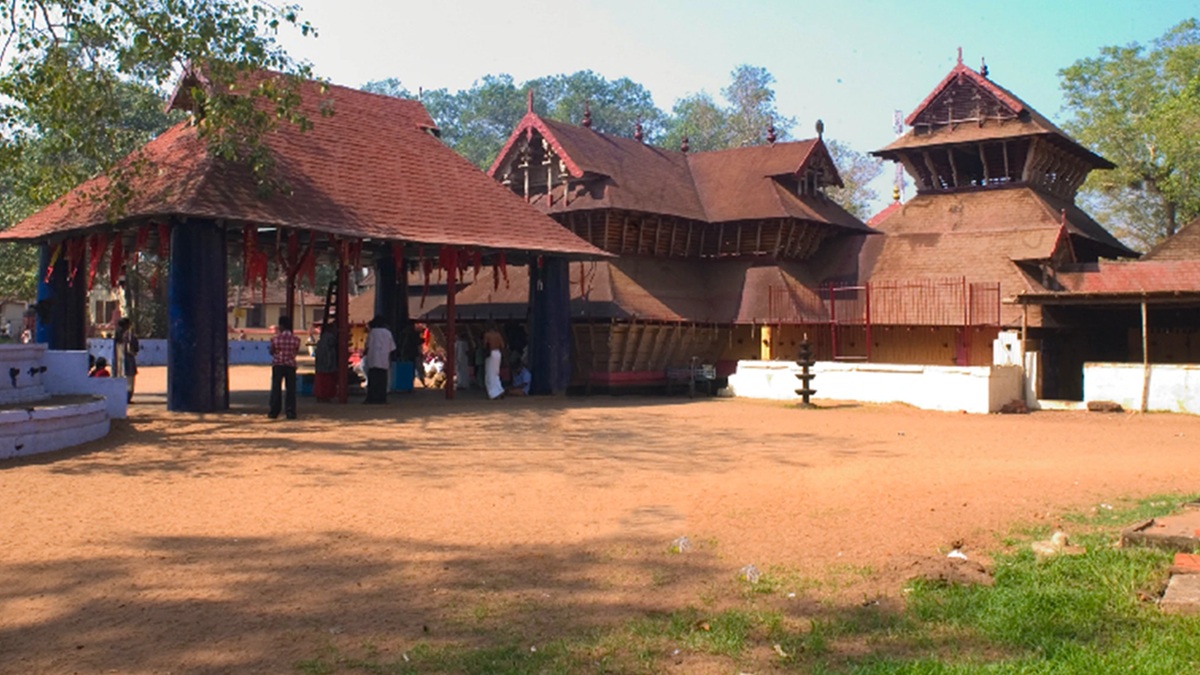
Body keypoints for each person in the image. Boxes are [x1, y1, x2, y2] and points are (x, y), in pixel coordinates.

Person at [268, 315, 300, 419]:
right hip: (290, 365)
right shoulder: (296, 339)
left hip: (278, 364)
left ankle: (274, 411)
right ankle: (290, 412)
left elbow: (272, 351)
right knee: (290, 389)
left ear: (281, 326)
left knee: (276, 388)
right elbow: (295, 351)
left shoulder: (275, 339)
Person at [362, 315, 396, 404]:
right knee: (382, 381)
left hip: (372, 359)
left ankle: (371, 398)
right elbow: (392, 348)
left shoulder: (372, 332)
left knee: (372, 380)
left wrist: (364, 354)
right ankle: (381, 398)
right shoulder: (388, 333)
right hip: (384, 360)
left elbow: (367, 346)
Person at [113, 317, 139, 403]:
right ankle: (127, 398)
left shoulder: (117, 335)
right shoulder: (129, 335)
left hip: (119, 363)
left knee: (120, 379)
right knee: (129, 382)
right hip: (128, 362)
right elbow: (132, 349)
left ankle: (120, 398)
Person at [313, 324, 338, 402]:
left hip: (320, 363)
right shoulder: (330, 338)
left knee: (321, 381)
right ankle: (325, 396)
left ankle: (320, 395)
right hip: (328, 363)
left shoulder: (321, 340)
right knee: (327, 381)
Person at [482, 323, 506, 400]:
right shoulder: (498, 335)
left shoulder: (487, 335)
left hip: (491, 353)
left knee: (490, 373)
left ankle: (494, 393)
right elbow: (503, 345)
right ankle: (499, 389)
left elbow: (485, 345)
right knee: (496, 372)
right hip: (498, 353)